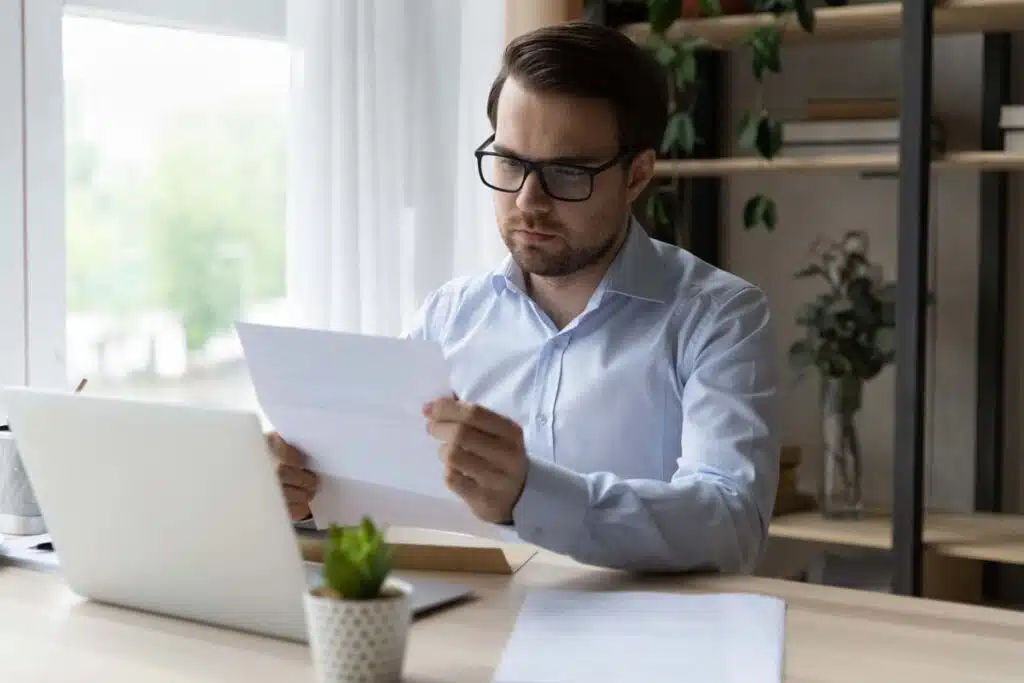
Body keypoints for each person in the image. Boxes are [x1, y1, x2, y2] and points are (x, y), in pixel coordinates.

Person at [271, 20, 779, 574]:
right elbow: (383, 497)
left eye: (567, 171)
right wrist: (305, 499)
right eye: (510, 163)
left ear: (637, 176)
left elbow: (731, 522)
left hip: (640, 644)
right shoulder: (448, 317)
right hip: (471, 629)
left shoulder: (720, 318)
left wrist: (531, 494)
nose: (527, 201)